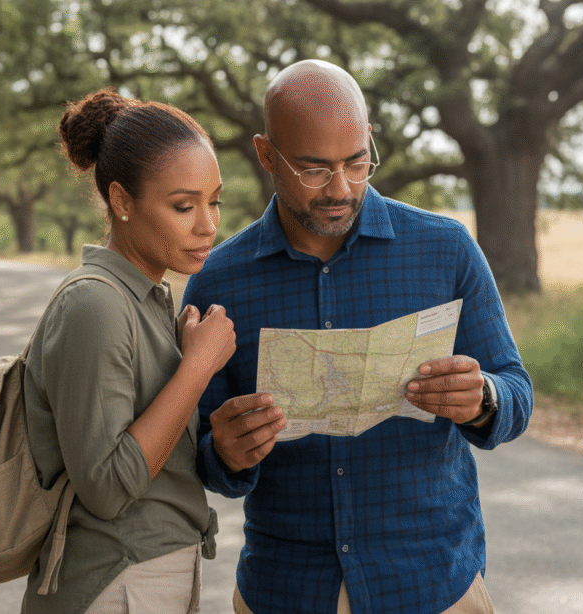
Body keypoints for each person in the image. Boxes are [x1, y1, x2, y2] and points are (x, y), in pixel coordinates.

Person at [182, 60, 534, 614]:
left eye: (357, 162)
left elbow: (516, 391)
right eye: (314, 169)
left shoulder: (445, 250)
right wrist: (224, 453)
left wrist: (483, 398)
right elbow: (198, 452)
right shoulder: (219, 280)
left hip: (432, 583)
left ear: (370, 140)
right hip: (286, 589)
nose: (341, 188)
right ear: (267, 155)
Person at [21, 89, 236, 614]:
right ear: (121, 201)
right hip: (115, 580)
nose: (207, 225)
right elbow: (109, 486)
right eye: (184, 206)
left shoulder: (149, 300)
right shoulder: (94, 304)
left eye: (214, 202)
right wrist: (198, 367)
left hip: (149, 573)